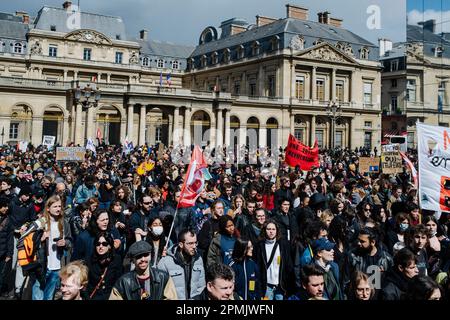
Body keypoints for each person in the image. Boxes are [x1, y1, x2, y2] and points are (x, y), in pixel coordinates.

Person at [32, 195, 72, 300]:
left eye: (59, 206)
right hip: (42, 266)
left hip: (57, 266)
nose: (58, 209)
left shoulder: (64, 223)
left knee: (49, 296)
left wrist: (65, 242)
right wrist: (40, 239)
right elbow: (29, 242)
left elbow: (70, 241)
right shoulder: (40, 222)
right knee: (38, 296)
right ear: (48, 208)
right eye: (55, 206)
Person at [109, 241, 177, 300]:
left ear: (150, 256)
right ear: (133, 259)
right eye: (138, 256)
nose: (143, 259)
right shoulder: (123, 282)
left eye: (146, 255)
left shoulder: (163, 277)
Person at [157, 229, 206, 300]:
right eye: (190, 243)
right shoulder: (166, 262)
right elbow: (160, 289)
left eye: (195, 243)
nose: (194, 246)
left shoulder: (198, 259)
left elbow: (201, 286)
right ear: (181, 244)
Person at [254, 220, 294, 300]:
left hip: (280, 286)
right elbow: (258, 267)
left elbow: (288, 265)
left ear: (277, 231)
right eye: (269, 229)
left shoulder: (283, 245)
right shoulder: (259, 246)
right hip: (267, 286)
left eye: (273, 229)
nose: (271, 231)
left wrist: (287, 284)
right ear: (264, 230)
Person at [86, 232, 123, 300]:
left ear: (109, 246)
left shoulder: (116, 259)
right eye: (98, 244)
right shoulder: (89, 260)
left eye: (104, 244)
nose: (100, 246)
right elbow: (87, 284)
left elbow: (118, 282)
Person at [0, 198, 13, 296]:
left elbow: (10, 238)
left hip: (2, 252)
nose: (6, 208)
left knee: (2, 274)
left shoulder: (8, 220)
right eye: (4, 206)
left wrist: (9, 253)